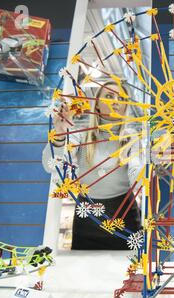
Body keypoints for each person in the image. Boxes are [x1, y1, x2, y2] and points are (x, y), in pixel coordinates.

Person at [42, 81, 143, 250]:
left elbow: (136, 174)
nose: (116, 101)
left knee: (127, 270)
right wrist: (59, 134)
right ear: (96, 103)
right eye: (109, 96)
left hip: (125, 215)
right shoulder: (80, 134)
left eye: (121, 98)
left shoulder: (131, 138)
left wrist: (150, 170)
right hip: (87, 217)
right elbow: (52, 166)